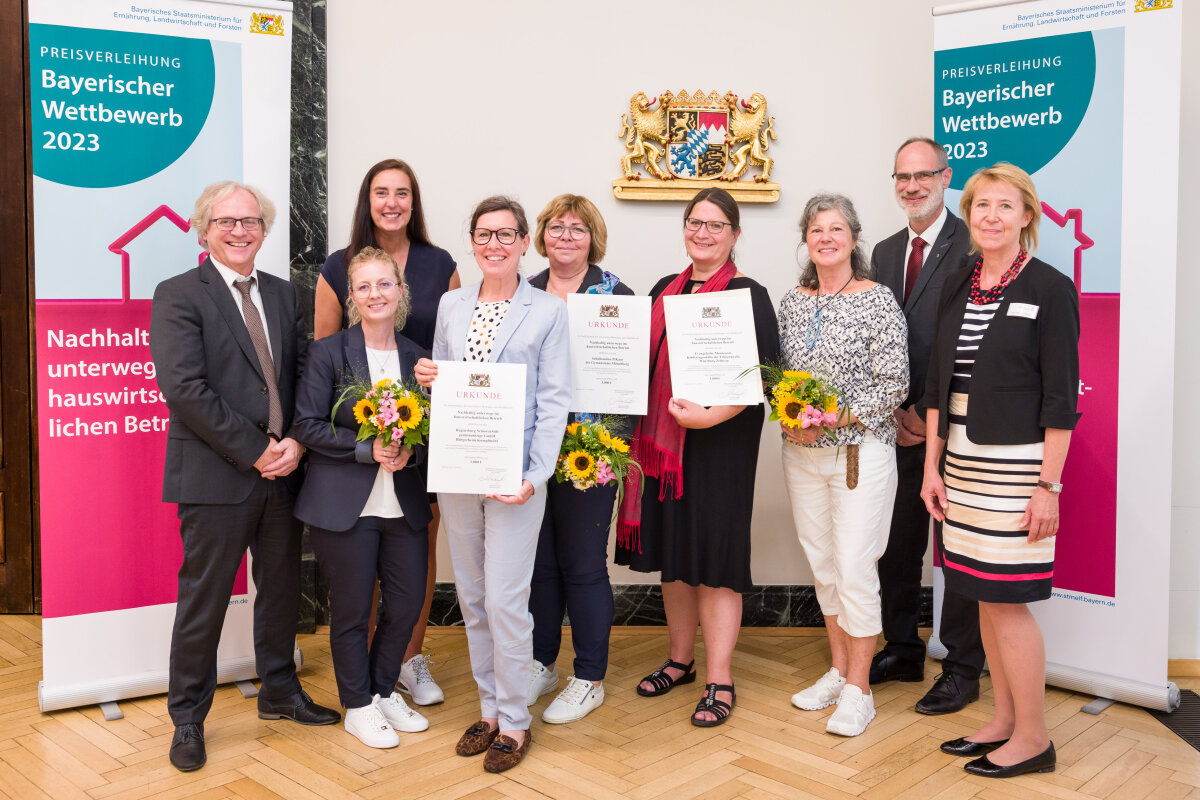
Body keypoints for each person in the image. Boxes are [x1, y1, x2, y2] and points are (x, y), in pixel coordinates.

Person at [150, 181, 339, 773]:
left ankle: (279, 690)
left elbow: (307, 374)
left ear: (264, 228)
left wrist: (297, 443)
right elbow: (184, 389)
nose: (240, 231)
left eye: (251, 221)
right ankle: (188, 718)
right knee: (202, 599)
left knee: (281, 590)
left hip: (284, 473)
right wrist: (255, 449)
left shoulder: (286, 295)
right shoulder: (178, 294)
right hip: (215, 476)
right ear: (203, 230)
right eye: (227, 221)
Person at [922, 163, 1079, 778]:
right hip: (961, 463)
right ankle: (1005, 721)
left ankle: (1035, 738)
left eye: (1004, 205)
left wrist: (1048, 487)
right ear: (968, 215)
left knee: (1008, 601)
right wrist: (932, 467)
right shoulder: (960, 283)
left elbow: (1061, 400)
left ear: (1027, 216)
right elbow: (940, 384)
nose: (990, 215)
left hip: (1017, 469)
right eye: (980, 204)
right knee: (982, 597)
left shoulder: (1049, 287)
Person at [414, 196, 570, 773]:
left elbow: (555, 402)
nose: (495, 244)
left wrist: (536, 476)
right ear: (473, 241)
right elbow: (444, 387)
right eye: (485, 234)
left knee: (507, 601)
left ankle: (516, 720)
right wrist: (429, 379)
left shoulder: (548, 310)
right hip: (459, 472)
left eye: (507, 234)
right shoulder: (452, 305)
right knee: (475, 600)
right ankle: (489, 711)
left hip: (515, 479)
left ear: (525, 242)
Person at [616, 187, 779, 728]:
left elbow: (765, 379)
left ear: (734, 234)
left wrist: (710, 416)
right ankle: (680, 661)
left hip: (719, 448)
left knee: (715, 563)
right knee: (677, 559)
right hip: (664, 451)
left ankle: (720, 678)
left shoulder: (749, 294)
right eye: (694, 222)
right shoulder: (664, 289)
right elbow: (637, 361)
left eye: (715, 224)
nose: (702, 232)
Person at [316, 158, 460, 706]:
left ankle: (410, 659)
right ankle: (372, 672)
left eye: (403, 192)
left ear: (414, 201)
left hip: (421, 437)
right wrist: (359, 442)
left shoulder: (440, 263)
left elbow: (455, 345)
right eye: (382, 192)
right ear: (367, 200)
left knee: (415, 551)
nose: (392, 202)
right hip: (360, 439)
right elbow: (326, 355)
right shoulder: (337, 265)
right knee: (363, 557)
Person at [291, 248, 434, 748]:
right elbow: (306, 425)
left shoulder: (419, 359)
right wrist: (364, 450)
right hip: (342, 503)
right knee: (352, 611)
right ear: (351, 296)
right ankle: (357, 704)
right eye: (364, 286)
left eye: (384, 284)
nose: (375, 294)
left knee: (407, 603)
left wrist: (407, 456)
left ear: (400, 291)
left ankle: (381, 689)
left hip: (404, 504)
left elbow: (432, 433)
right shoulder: (328, 353)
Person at [779, 193, 908, 737]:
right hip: (800, 455)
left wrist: (840, 413)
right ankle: (837, 671)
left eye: (836, 229)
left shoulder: (877, 300)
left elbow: (896, 382)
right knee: (825, 567)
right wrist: (788, 414)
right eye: (816, 230)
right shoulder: (792, 301)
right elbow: (777, 376)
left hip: (860, 452)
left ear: (854, 239)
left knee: (856, 568)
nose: (826, 238)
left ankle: (860, 690)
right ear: (806, 241)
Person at [869, 137, 985, 714]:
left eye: (924, 175)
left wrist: (928, 414)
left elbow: (972, 344)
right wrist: (895, 407)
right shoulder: (884, 252)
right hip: (896, 425)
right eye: (902, 177)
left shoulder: (973, 245)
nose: (912, 186)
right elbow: (874, 337)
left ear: (946, 177)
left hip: (956, 426)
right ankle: (901, 647)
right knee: (897, 543)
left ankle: (963, 668)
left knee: (957, 548)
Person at [524, 194, 634, 724]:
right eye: (556, 227)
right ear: (541, 235)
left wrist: (612, 447)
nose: (566, 237)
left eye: (578, 229)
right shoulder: (521, 294)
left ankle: (588, 677)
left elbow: (631, 385)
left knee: (584, 565)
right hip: (527, 448)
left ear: (594, 237)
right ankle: (542, 663)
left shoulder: (617, 295)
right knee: (540, 564)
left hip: (590, 453)